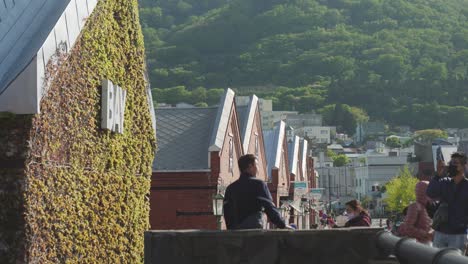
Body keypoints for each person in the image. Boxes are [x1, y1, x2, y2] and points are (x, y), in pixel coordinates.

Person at [223, 154, 292, 230]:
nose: (258, 169)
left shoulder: (230, 188)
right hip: (253, 232)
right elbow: (269, 207)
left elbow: (227, 212)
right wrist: (282, 224)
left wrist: (231, 230)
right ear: (250, 166)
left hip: (235, 235)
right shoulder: (258, 184)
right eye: (256, 165)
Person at [427, 152, 468, 251]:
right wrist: (438, 174)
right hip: (441, 231)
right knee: (438, 259)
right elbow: (430, 192)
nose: (451, 165)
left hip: (458, 234)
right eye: (450, 162)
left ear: (463, 166)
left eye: (455, 163)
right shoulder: (444, 182)